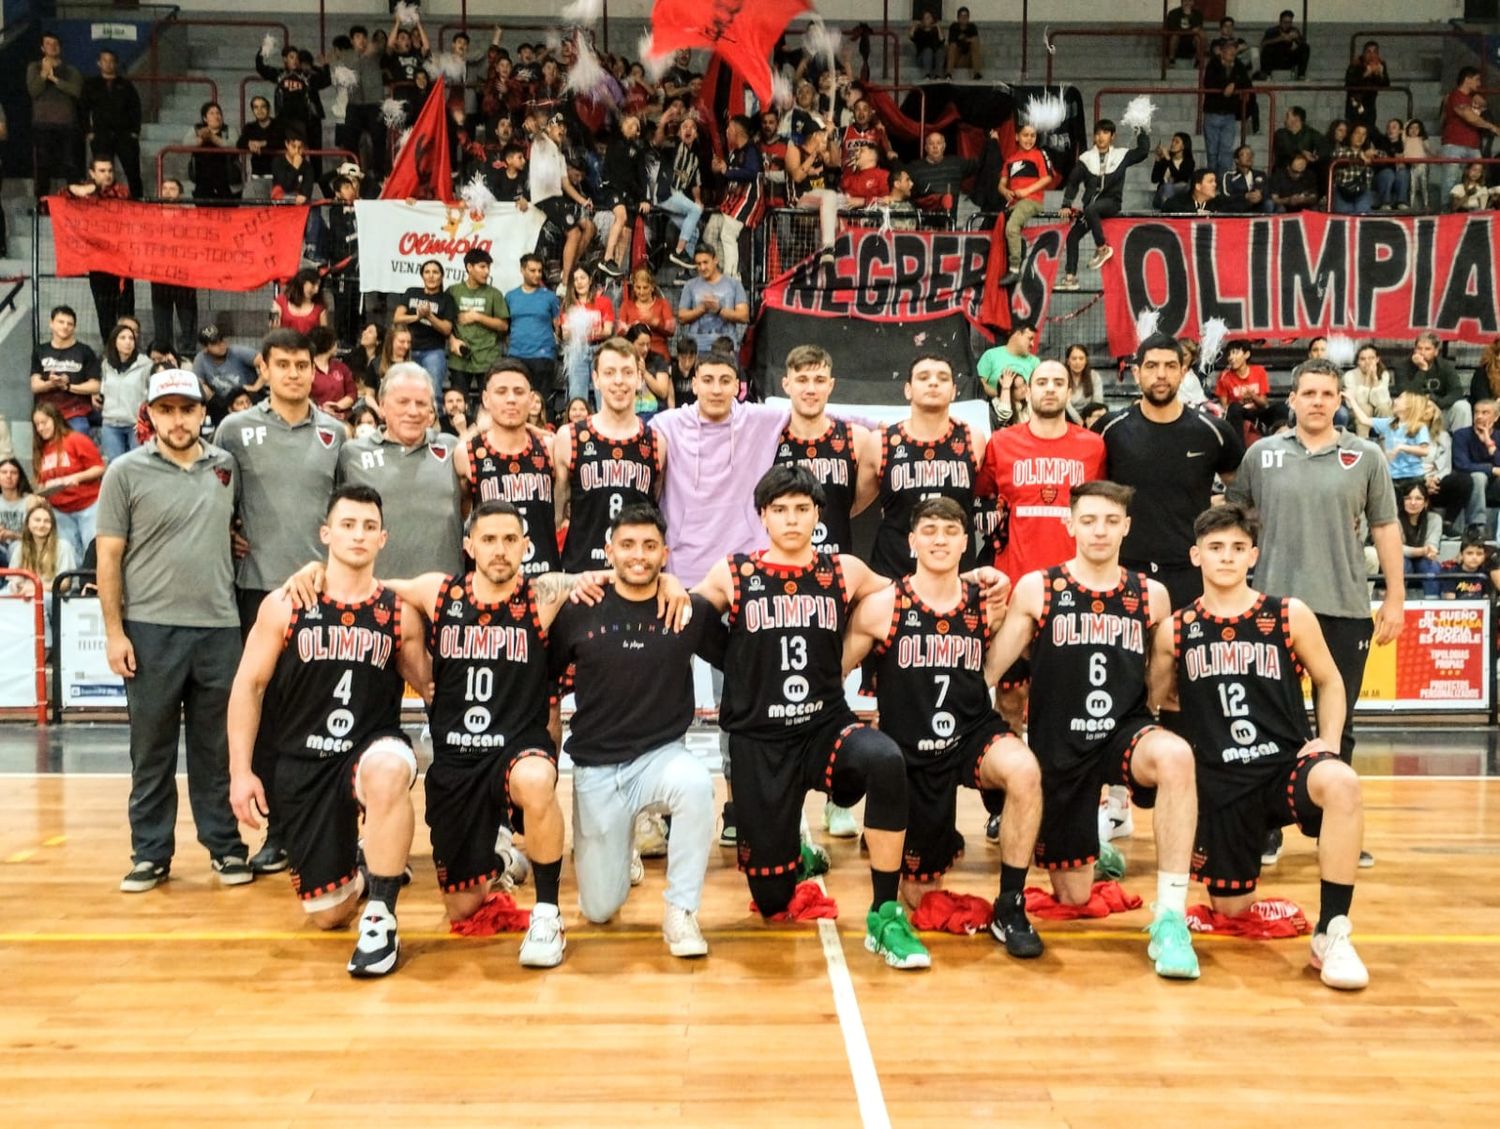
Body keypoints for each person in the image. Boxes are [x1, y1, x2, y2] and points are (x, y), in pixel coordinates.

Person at [694, 465, 931, 969]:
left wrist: (849, 651)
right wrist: (732, 660)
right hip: (760, 741)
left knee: (886, 759)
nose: (792, 519)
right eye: (779, 510)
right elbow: (691, 617)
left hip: (825, 727)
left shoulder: (843, 570)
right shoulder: (734, 571)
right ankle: (789, 855)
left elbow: (904, 596)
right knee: (774, 898)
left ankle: (884, 911)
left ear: (818, 515)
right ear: (762, 516)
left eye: (802, 509)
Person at [986, 481, 1202, 979]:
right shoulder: (1039, 587)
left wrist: (1155, 714)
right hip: (1058, 746)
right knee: (1074, 895)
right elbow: (993, 670)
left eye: (1110, 521)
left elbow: (1160, 671)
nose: (1099, 531)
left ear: (1126, 526)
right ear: (1070, 524)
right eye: (1088, 520)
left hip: (1124, 733)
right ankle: (1093, 851)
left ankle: (1170, 917)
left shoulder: (1152, 594)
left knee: (1175, 757)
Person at [1153, 503, 1369, 989]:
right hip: (1218, 783)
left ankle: (1332, 930)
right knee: (1230, 908)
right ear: (1196, 556)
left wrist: (1328, 744)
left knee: (1342, 782)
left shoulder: (1288, 613)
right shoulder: (1177, 630)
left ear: (1253, 555)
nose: (1226, 557)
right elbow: (1156, 698)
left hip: (1283, 770)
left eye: (1236, 548)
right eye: (1215, 548)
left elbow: (1330, 681)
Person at [228, 485, 429, 976]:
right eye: (347, 525)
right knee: (327, 914)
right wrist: (240, 773)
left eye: (368, 527)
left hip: (370, 749)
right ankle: (367, 868)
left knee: (386, 770)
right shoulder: (284, 605)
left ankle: (381, 916)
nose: (358, 535)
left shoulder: (398, 613)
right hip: (303, 763)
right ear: (326, 534)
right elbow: (248, 688)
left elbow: (432, 689)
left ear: (383, 538)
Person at [842, 497, 1044, 956]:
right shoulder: (884, 605)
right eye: (929, 530)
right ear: (911, 541)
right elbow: (833, 671)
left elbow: (1009, 654)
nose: (939, 539)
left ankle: (1011, 904)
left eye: (950, 532)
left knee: (1025, 771)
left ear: (964, 542)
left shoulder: (987, 604)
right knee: (919, 897)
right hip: (908, 749)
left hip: (971, 733)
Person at [1225, 360, 1402, 867]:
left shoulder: (1365, 456)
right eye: (1309, 392)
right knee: (1266, 723)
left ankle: (1331, 826)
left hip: (1343, 607)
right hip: (1272, 609)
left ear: (1339, 400)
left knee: (1338, 726)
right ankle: (1266, 827)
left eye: (1328, 393)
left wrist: (1394, 597)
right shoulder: (1262, 455)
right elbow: (1234, 523)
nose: (1318, 401)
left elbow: (1387, 527)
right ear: (1294, 399)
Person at [97, 369, 252, 894]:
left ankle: (226, 849)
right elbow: (109, 556)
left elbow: (236, 531)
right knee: (153, 749)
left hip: (218, 628)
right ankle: (150, 853)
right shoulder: (124, 471)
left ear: (201, 412)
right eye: (167, 409)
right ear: (151, 414)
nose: (179, 419)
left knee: (217, 750)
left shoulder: (226, 466)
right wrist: (115, 633)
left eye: (187, 408)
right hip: (150, 630)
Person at [549, 503, 724, 956]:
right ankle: (620, 845)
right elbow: (543, 678)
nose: (639, 556)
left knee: (697, 785)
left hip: (659, 757)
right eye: (627, 545)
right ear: (609, 551)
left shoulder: (686, 609)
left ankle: (681, 912)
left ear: (665, 553)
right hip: (596, 766)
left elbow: (741, 662)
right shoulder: (580, 607)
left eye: (650, 546)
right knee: (600, 909)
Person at [1095, 334, 1243, 610]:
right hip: (1124, 569)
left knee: (1185, 653)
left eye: (1170, 366)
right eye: (1151, 366)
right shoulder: (1109, 429)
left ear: (1184, 371)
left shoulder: (1213, 431)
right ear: (1136, 372)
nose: (1161, 375)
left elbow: (1243, 492)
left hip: (1189, 570)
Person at [859, 355, 980, 581]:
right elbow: (852, 505)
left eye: (942, 378)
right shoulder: (881, 442)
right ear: (908, 389)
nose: (933, 383)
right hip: (893, 573)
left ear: (954, 390)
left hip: (956, 576)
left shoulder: (973, 438)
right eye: (923, 377)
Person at [337, 363, 463, 578]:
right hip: (377, 595)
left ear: (431, 411)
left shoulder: (452, 448)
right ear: (382, 406)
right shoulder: (352, 454)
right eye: (403, 402)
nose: (413, 411)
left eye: (421, 403)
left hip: (446, 596)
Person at [553, 339, 663, 572]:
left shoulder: (656, 442)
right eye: (609, 372)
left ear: (639, 378)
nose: (619, 381)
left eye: (627, 372)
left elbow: (656, 501)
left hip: (636, 574)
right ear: (596, 379)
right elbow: (558, 513)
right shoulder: (569, 437)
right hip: (581, 575)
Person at [455, 361, 559, 577]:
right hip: (491, 579)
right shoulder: (467, 453)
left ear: (531, 400)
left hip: (544, 577)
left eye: (518, 392)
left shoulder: (550, 447)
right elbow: (461, 515)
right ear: (485, 399)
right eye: (501, 392)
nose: (511, 399)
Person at [771, 345, 872, 560]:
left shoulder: (858, 439)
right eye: (801, 380)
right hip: (779, 568)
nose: (810, 389)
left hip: (836, 566)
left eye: (819, 380)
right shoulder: (767, 439)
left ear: (831, 385)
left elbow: (855, 504)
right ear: (786, 385)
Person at [1056, 119, 1151, 291]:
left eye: (1105, 133)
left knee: (1091, 208)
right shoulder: (1086, 159)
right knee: (1072, 236)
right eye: (1098, 133)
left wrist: (1141, 128)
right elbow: (1072, 182)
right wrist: (1066, 204)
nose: (1101, 137)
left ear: (1113, 136)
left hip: (1111, 203)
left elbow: (1143, 151)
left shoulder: (1121, 155)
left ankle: (1102, 248)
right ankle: (1071, 278)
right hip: (1092, 208)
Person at [68, 155, 135, 337]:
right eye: (102, 171)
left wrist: (95, 190)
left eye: (110, 171)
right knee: (104, 311)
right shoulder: (84, 192)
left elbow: (123, 199)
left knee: (126, 311)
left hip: (122, 261)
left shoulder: (121, 191)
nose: (107, 175)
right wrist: (74, 189)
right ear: (92, 173)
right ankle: (109, 350)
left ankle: (128, 349)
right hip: (98, 262)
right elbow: (58, 199)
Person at [529, 113, 596, 289]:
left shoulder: (559, 155)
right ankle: (566, 282)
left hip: (558, 199)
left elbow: (566, 184)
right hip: (545, 198)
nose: (562, 129)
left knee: (588, 228)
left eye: (564, 127)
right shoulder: (541, 142)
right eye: (558, 126)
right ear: (549, 127)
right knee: (574, 233)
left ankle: (567, 271)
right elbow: (535, 132)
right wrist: (535, 125)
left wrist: (583, 201)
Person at [31, 403, 104, 560]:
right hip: (61, 512)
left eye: (44, 422)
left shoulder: (75, 439)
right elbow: (40, 482)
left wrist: (76, 477)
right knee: (70, 553)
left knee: (93, 552)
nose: (41, 428)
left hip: (88, 506)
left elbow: (99, 468)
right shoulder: (40, 449)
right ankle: (75, 585)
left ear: (55, 419)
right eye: (37, 424)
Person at [444, 248, 508, 402]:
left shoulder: (494, 294)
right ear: (469, 267)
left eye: (488, 268)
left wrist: (477, 317)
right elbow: (445, 322)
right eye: (482, 267)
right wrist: (452, 341)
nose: (486, 272)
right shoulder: (453, 291)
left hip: (488, 356)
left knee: (489, 403)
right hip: (460, 358)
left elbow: (503, 326)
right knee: (458, 402)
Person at [704, 115, 762, 283]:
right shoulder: (733, 153)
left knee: (728, 234)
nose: (727, 133)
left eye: (729, 129)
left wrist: (727, 170)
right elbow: (726, 177)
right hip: (731, 201)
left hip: (748, 201)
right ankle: (723, 270)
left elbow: (752, 173)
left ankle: (732, 277)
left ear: (736, 131)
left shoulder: (751, 150)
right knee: (710, 232)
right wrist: (718, 171)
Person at [26, 32, 84, 197]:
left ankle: (75, 201)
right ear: (42, 48)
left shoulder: (70, 70)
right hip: (42, 124)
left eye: (55, 43)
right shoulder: (34, 67)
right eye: (48, 43)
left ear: (60, 47)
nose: (52, 46)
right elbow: (33, 91)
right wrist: (44, 75)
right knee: (43, 165)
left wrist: (55, 79)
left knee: (71, 163)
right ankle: (42, 202)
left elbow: (76, 91)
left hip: (66, 124)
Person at [997, 123, 1055, 286]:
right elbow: (1001, 184)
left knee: (1012, 227)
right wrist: (1004, 191)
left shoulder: (1039, 154)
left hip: (1033, 200)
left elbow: (1047, 178)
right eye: (1025, 135)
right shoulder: (1010, 159)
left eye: (1032, 135)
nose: (1029, 139)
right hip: (1015, 202)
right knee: (1002, 228)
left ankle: (1014, 269)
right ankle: (1017, 254)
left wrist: (1026, 191)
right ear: (1016, 137)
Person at [505, 254, 562, 414]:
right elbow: (505, 327)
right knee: (516, 400)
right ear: (522, 270)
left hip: (543, 355)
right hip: (516, 354)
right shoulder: (510, 297)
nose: (537, 274)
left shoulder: (550, 297)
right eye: (532, 270)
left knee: (542, 402)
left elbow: (558, 326)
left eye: (539, 271)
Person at [81, 48, 142, 198]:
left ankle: (138, 202)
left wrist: (135, 132)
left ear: (116, 63)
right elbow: (82, 109)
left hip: (125, 135)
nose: (108, 64)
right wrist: (88, 131)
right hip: (101, 135)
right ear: (99, 63)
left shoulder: (126, 85)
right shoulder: (91, 84)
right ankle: (102, 200)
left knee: (133, 171)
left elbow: (136, 108)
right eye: (104, 60)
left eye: (111, 61)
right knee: (102, 172)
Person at [30, 305, 101, 433]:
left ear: (74, 327)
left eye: (70, 324)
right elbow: (35, 385)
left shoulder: (85, 351)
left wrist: (68, 387)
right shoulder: (40, 350)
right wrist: (51, 384)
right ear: (51, 324)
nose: (65, 326)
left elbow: (95, 386)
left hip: (76, 412)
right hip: (47, 412)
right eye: (61, 322)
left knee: (77, 441)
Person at [394, 259, 457, 398]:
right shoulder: (411, 292)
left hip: (433, 351)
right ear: (422, 276)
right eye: (427, 272)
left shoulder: (447, 299)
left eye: (435, 272)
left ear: (441, 276)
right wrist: (417, 317)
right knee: (404, 390)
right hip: (408, 350)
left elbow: (447, 329)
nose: (431, 276)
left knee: (433, 393)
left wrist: (429, 316)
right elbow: (397, 318)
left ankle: (434, 420)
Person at [1439, 68, 1500, 204]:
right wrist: (1492, 127)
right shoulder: (1455, 95)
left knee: (1480, 178)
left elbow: (1482, 106)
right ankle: (1445, 213)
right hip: (1454, 143)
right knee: (1451, 180)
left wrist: (1480, 100)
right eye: (1477, 79)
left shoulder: (1470, 98)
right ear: (1467, 79)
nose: (1479, 84)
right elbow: (1470, 117)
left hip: (1473, 145)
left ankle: (1477, 209)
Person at [677, 245, 750, 355]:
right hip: (697, 349)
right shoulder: (690, 285)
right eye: (698, 264)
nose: (702, 267)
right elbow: (682, 317)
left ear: (715, 260)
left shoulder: (733, 284)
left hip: (726, 349)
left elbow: (744, 316)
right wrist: (702, 309)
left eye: (705, 262)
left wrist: (719, 310)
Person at [560, 268, 616, 409]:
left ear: (590, 280)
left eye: (582, 278)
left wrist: (586, 329)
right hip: (577, 350)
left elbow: (608, 331)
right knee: (577, 395)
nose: (579, 282)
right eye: (575, 279)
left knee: (603, 394)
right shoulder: (568, 305)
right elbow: (565, 334)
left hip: (600, 349)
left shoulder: (603, 302)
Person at [1392, 332, 1470, 431]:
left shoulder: (1446, 366)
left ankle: (1461, 443)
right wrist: (1422, 369)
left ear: (1436, 351)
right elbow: (1406, 395)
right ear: (1414, 349)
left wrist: (1437, 402)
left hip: (1439, 411)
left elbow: (1457, 392)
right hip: (1414, 414)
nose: (1422, 352)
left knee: (1463, 406)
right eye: (1419, 348)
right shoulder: (1402, 366)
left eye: (1427, 349)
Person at [99, 322, 152, 461]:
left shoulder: (145, 364)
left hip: (136, 424)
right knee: (115, 466)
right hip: (111, 424)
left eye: (131, 338)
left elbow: (152, 392)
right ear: (114, 341)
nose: (128, 342)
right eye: (122, 338)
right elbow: (102, 388)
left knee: (138, 465)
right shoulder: (105, 365)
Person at [1202, 39, 1253, 175]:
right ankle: (1212, 179)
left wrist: (1234, 84)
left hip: (1229, 114)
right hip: (1213, 113)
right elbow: (1209, 82)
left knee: (1226, 150)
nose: (1232, 53)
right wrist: (1226, 86)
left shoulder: (1238, 65)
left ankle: (1223, 181)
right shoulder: (1213, 64)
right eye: (1229, 50)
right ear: (1222, 51)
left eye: (1234, 50)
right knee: (1212, 151)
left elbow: (1247, 83)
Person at [194, 326, 262, 420]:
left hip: (247, 397)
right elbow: (197, 383)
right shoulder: (201, 359)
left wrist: (256, 386)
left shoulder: (237, 351)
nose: (221, 345)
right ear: (206, 348)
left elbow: (266, 362)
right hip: (223, 403)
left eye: (221, 340)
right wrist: (211, 395)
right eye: (215, 343)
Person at [1453, 400, 1500, 536]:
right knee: (1478, 477)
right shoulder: (1461, 435)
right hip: (1469, 483)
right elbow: (1461, 465)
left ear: (1496, 417)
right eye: (1476, 412)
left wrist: (1489, 444)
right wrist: (1491, 469)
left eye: (1485, 413)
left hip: (1495, 484)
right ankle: (1476, 526)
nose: (1479, 416)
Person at [1217, 339, 1274, 442]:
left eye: (1235, 353)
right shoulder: (1224, 377)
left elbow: (1265, 404)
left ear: (1246, 354)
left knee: (1280, 408)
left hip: (1257, 413)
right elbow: (1224, 408)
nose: (1231, 358)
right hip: (1238, 415)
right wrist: (1240, 402)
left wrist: (1253, 396)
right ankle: (1239, 450)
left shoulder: (1259, 371)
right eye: (1229, 355)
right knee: (1234, 408)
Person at [616, 269, 676, 363]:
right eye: (638, 287)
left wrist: (655, 323)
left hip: (659, 356)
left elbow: (671, 330)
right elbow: (619, 331)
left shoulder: (663, 304)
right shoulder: (626, 305)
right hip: (633, 356)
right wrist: (634, 326)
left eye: (645, 287)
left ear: (652, 287)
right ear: (633, 287)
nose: (641, 292)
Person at [184, 102, 241, 201]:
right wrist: (201, 139)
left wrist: (212, 137)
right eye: (212, 113)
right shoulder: (197, 129)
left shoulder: (229, 130)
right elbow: (186, 143)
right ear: (205, 118)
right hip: (202, 180)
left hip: (226, 180)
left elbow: (233, 144)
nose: (216, 116)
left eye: (218, 113)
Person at [1393, 482, 1443, 596]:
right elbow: (1394, 548)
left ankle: (1432, 603)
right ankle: (1398, 602)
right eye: (1408, 498)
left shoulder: (1434, 519)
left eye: (1418, 498)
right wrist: (1421, 551)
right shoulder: (1394, 519)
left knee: (1432, 566)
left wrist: (1431, 551)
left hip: (1422, 559)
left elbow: (1432, 544)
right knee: (1402, 563)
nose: (1413, 502)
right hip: (1399, 557)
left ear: (1425, 503)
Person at [977, 322, 1039, 400]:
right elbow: (979, 383)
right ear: (1018, 334)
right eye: (1030, 339)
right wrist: (1002, 395)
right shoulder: (990, 355)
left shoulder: (1035, 362)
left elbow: (1038, 388)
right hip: (994, 407)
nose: (1032, 344)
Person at [1342, 344, 1393, 438]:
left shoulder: (1384, 374)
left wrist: (1375, 379)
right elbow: (1357, 402)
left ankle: (1386, 441)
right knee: (1365, 408)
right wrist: (1367, 380)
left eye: (1371, 358)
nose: (1367, 362)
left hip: (1378, 409)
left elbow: (1382, 401)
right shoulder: (1350, 375)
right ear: (1358, 361)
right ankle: (1363, 441)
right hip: (1356, 411)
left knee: (1384, 408)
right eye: (1363, 359)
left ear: (1377, 359)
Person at [309, 327, 357, 420]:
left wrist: (338, 406)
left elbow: (352, 392)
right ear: (328, 345)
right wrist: (321, 409)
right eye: (335, 343)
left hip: (343, 418)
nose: (337, 346)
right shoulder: (308, 368)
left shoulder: (341, 367)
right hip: (316, 418)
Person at [1344, 41, 1390, 132]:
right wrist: (1365, 74)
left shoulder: (1380, 64)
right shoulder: (1355, 64)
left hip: (1370, 103)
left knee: (1369, 129)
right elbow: (1349, 83)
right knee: (1354, 129)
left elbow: (1386, 85)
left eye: (1375, 52)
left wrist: (1381, 75)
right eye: (1369, 51)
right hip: (1355, 102)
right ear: (1364, 53)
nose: (1372, 55)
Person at [271, 269, 330, 338]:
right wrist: (274, 322)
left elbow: (324, 334)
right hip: (286, 345)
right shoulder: (280, 301)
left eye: (318, 286)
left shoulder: (320, 307)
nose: (316, 290)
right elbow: (274, 327)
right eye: (313, 285)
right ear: (302, 282)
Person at [0, 458, 38, 556]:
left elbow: (40, 537)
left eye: (13, 472)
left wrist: (14, 536)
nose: (8, 476)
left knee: (17, 547)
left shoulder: (31, 501)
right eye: (4, 472)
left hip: (25, 550)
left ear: (20, 476)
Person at [1257, 10, 1310, 80]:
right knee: (1268, 48)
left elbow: (1302, 44)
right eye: (1285, 22)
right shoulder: (1272, 31)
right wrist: (1281, 38)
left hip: (1288, 58)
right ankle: (1266, 74)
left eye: (1289, 23)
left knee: (1305, 47)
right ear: (1280, 22)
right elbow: (1263, 43)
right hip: (1275, 58)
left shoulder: (1293, 30)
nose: (1287, 25)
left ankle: (1301, 75)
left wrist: (1297, 38)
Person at [1222, 145, 1274, 214]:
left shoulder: (1260, 174)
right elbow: (1226, 195)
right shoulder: (1229, 175)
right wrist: (1245, 196)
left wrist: (1260, 196)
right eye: (1244, 154)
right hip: (1238, 206)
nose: (1249, 157)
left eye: (1251, 154)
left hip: (1257, 206)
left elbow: (1268, 192)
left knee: (1270, 204)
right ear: (1236, 160)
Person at [1151, 133, 1195, 211]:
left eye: (1177, 142)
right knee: (1168, 186)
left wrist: (1168, 159)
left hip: (1180, 193)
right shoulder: (1165, 160)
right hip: (1163, 193)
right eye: (1173, 141)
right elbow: (1154, 179)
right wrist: (1158, 160)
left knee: (1185, 186)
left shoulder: (1189, 162)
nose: (1173, 144)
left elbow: (1181, 178)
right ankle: (1167, 210)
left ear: (1183, 146)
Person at [945, 7, 982, 79]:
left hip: (968, 58)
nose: (964, 18)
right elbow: (952, 43)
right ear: (958, 18)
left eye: (966, 16)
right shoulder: (954, 27)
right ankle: (949, 74)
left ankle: (977, 73)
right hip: (956, 58)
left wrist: (965, 39)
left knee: (975, 44)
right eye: (962, 16)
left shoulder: (972, 27)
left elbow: (976, 40)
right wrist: (968, 40)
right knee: (953, 46)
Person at [1164, 0, 1204, 66]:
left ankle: (1198, 61)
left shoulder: (1198, 14)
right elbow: (1172, 29)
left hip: (1191, 40)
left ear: (1193, 2)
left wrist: (1189, 15)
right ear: (1181, 2)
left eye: (1190, 1)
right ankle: (1171, 60)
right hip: (1177, 40)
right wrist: (1189, 30)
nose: (1187, 3)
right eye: (1185, 1)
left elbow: (1197, 29)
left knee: (1200, 35)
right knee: (1175, 36)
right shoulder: (1173, 13)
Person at [910, 11, 943, 79]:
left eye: (928, 18)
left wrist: (938, 27)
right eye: (925, 18)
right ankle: (927, 75)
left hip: (934, 57)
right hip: (922, 58)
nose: (927, 20)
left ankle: (938, 75)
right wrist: (915, 25)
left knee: (940, 51)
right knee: (928, 50)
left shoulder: (935, 31)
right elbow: (911, 36)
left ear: (932, 19)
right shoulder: (919, 32)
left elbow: (942, 40)